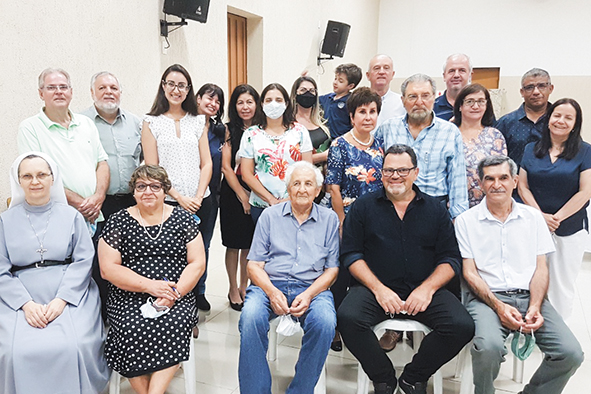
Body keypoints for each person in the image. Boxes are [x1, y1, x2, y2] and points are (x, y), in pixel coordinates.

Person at [338, 145, 474, 394]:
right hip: (374, 289)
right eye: (389, 170)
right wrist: (379, 289)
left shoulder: (435, 210)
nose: (395, 176)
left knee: (461, 325)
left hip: (424, 289)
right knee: (347, 318)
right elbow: (351, 254)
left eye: (402, 170)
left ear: (416, 172)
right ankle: (383, 378)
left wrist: (427, 289)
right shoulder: (363, 207)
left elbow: (450, 258)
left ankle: (414, 377)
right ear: (381, 173)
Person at [455, 155, 583, 394]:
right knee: (488, 348)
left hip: (530, 297)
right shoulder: (465, 221)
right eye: (489, 179)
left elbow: (541, 268)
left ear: (515, 181)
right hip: (485, 299)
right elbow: (469, 273)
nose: (497, 184)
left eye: (503, 178)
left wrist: (535, 306)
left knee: (570, 353)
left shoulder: (533, 218)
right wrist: (499, 307)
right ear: (480, 184)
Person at [0, 152, 109, 394]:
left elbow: (83, 261)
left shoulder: (72, 216)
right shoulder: (4, 221)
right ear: (18, 181)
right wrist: (26, 305)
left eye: (41, 175)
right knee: (12, 350)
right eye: (27, 176)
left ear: (53, 178)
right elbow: (1, 271)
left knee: (76, 344)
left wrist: (61, 300)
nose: (35, 181)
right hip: (19, 294)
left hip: (70, 290)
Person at [98, 165, 206, 393]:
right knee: (128, 327)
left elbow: (197, 263)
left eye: (155, 186)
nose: (148, 191)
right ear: (133, 191)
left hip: (176, 292)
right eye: (141, 186)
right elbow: (108, 269)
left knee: (175, 324)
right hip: (127, 294)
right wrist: (150, 286)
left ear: (165, 190)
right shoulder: (118, 221)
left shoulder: (184, 219)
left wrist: (174, 294)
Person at [238, 161, 340, 394]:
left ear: (317, 191)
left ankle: (300, 390)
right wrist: (272, 292)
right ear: (288, 189)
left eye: (308, 184)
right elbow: (254, 265)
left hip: (312, 287)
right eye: (296, 183)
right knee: (251, 317)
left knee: (324, 323)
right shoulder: (269, 216)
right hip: (269, 284)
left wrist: (308, 294)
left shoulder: (329, 219)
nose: (302, 189)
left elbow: (332, 270)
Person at [141, 64, 212, 319]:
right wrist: (179, 198)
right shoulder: (151, 122)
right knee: (173, 257)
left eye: (182, 85)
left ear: (189, 89)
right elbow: (152, 168)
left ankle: (190, 311)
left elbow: (207, 163)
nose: (176, 90)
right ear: (163, 86)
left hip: (200, 200)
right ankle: (172, 308)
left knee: (199, 256)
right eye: (171, 84)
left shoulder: (198, 120)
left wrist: (197, 195)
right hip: (168, 203)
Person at [519, 98, 591, 320]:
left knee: (561, 284)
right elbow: (522, 185)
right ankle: (530, 324)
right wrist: (541, 216)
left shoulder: (585, 151)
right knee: (531, 279)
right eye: (557, 115)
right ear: (548, 119)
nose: (561, 121)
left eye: (569, 117)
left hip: (568, 228)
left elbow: (585, 192)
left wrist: (556, 218)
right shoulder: (531, 149)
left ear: (575, 123)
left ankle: (557, 335)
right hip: (533, 225)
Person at [325, 87, 384, 351]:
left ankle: (361, 324)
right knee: (342, 274)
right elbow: (333, 187)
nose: (368, 117)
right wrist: (340, 221)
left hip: (375, 221)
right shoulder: (340, 145)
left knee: (369, 273)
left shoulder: (381, 147)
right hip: (346, 218)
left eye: (372, 111)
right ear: (352, 116)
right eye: (362, 111)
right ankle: (335, 327)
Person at [18, 67, 110, 235]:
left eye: (63, 87)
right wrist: (82, 204)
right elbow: (38, 176)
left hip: (94, 216)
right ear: (41, 94)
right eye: (51, 87)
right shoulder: (30, 128)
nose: (58, 92)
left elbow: (102, 163)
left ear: (71, 92)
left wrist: (98, 197)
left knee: (96, 262)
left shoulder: (87, 123)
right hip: (57, 218)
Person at [375, 73, 468, 219]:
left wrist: (458, 219)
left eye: (425, 96)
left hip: (434, 211)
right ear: (403, 100)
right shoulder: (387, 129)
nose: (419, 102)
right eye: (412, 96)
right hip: (391, 210)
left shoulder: (449, 132)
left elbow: (458, 180)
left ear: (434, 98)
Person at [239, 83, 313, 224]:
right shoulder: (251, 134)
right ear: (261, 104)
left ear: (286, 104)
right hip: (262, 206)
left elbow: (307, 170)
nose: (274, 104)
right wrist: (271, 200)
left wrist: (290, 199)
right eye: (268, 100)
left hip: (296, 203)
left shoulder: (299, 131)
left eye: (278, 100)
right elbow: (246, 174)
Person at [82, 71, 141, 221]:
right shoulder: (80, 123)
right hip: (96, 204)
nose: (109, 92)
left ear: (120, 92)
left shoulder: (136, 123)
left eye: (113, 88)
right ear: (92, 92)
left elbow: (143, 158)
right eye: (102, 88)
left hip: (132, 202)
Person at [220, 84, 259, 311]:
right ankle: (233, 288)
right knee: (234, 244)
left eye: (249, 102)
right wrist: (243, 195)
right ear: (234, 106)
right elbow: (226, 167)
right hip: (233, 190)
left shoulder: (262, 130)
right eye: (240, 102)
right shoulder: (228, 130)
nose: (245, 107)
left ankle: (245, 286)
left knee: (250, 244)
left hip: (258, 189)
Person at [194, 83, 226, 312]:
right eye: (209, 98)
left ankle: (200, 291)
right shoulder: (185, 125)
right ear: (197, 98)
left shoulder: (219, 131)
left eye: (218, 101)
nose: (213, 104)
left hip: (211, 195)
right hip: (185, 195)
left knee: (204, 245)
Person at [452, 84, 507, 207]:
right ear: (460, 106)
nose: (475, 106)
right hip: (456, 204)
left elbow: (501, 171)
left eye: (481, 101)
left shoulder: (495, 135)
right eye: (469, 101)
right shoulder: (450, 134)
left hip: (489, 204)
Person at [496, 68, 554, 168]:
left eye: (541, 86)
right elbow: (495, 159)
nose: (536, 92)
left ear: (550, 88)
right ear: (522, 92)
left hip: (553, 181)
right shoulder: (505, 123)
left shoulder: (560, 122)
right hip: (515, 182)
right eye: (529, 87)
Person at [291, 76, 331, 165]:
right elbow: (290, 158)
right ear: (295, 94)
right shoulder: (288, 124)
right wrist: (323, 156)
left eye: (312, 91)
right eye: (303, 90)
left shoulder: (323, 122)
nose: (308, 94)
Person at [319, 63, 363, 138]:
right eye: (335, 78)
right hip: (325, 141)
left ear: (350, 86)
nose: (335, 82)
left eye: (340, 81)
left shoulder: (352, 102)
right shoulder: (327, 98)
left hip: (342, 141)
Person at [366, 54, 406, 126]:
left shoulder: (402, 103)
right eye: (377, 68)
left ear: (392, 75)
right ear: (368, 75)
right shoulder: (357, 101)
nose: (381, 72)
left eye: (386, 68)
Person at [434, 53, 473, 121]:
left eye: (462, 70)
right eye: (451, 71)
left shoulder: (479, 107)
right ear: (444, 76)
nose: (456, 75)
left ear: (470, 75)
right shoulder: (432, 108)